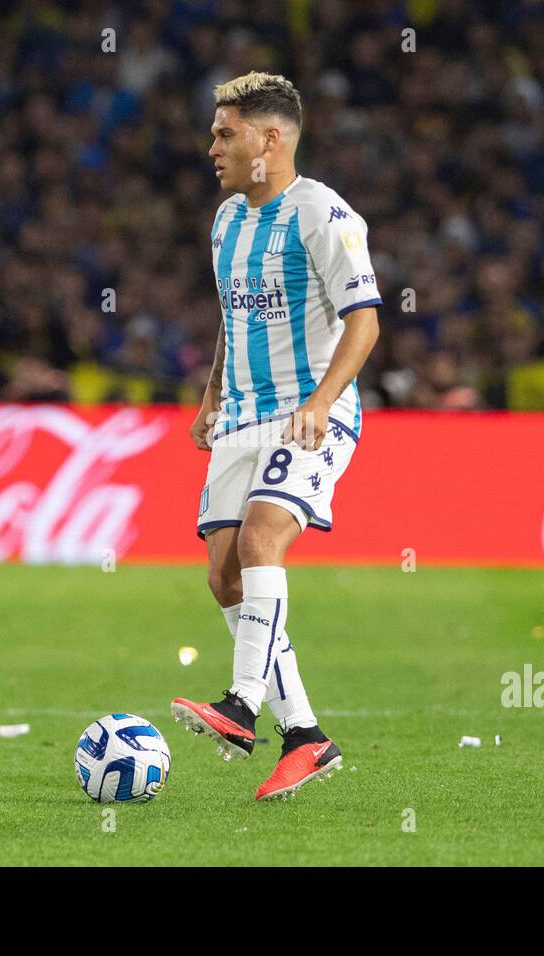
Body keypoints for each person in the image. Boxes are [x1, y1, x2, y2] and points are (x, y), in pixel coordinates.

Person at [171, 72, 381, 801]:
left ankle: (239, 705)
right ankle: (306, 737)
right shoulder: (227, 221)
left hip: (307, 413)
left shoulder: (322, 213)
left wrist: (324, 401)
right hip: (239, 418)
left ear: (271, 139)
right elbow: (234, 320)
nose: (213, 147)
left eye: (225, 133)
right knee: (224, 574)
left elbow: (366, 319)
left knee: (262, 541)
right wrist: (209, 399)